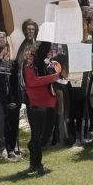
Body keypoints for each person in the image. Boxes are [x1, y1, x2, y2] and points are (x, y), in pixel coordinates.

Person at [23, 41, 62, 175]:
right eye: (45, 50)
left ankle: (32, 148)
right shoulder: (29, 66)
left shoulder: (46, 64)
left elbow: (55, 76)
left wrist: (56, 72)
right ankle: (36, 165)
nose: (47, 53)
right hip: (36, 105)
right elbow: (32, 82)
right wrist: (52, 77)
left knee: (44, 137)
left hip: (49, 103)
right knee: (37, 136)